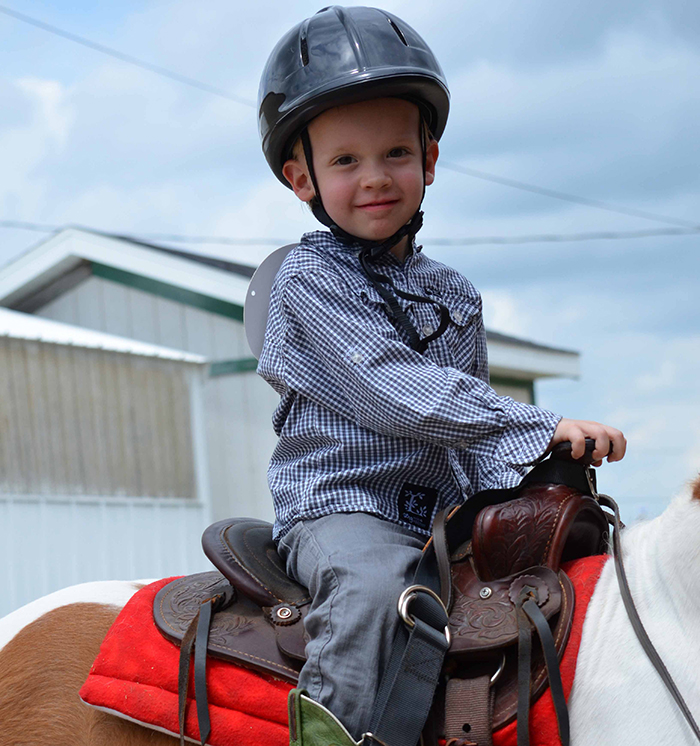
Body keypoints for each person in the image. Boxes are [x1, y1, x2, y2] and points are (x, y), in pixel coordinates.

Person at [255, 6, 626, 745]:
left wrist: (544, 464)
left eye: (395, 153)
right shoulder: (306, 282)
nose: (375, 178)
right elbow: (398, 391)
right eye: (345, 161)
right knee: (368, 592)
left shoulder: (453, 292)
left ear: (429, 161)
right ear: (301, 178)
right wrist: (537, 421)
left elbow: (475, 436)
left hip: (441, 518)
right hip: (346, 508)